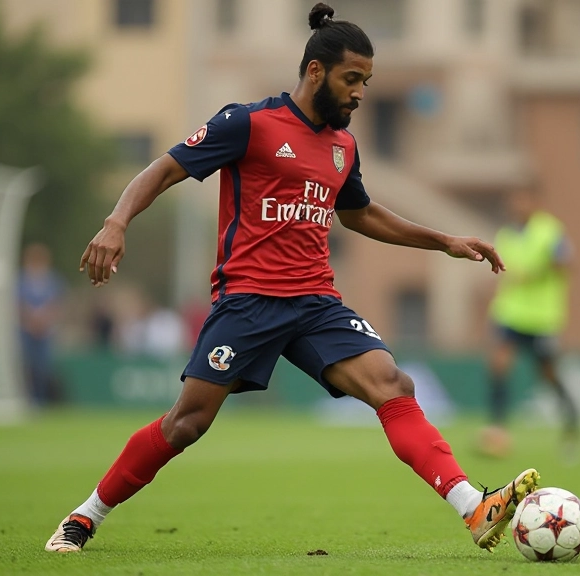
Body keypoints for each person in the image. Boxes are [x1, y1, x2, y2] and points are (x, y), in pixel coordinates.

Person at [45, 3, 539, 554]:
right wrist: (116, 222)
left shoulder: (343, 146)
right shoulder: (248, 124)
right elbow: (163, 168)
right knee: (186, 424)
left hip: (315, 303)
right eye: (352, 79)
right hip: (248, 302)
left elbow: (360, 213)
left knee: (394, 385)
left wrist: (442, 241)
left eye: (366, 83)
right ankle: (85, 516)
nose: (359, 93)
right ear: (314, 72)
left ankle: (473, 506)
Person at [480, 186, 580, 459]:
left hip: (541, 318)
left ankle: (572, 424)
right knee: (499, 365)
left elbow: (566, 263)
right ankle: (497, 432)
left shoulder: (550, 231)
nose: (518, 205)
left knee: (547, 375)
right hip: (510, 313)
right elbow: (504, 271)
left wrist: (537, 273)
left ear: (535, 202)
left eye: (523, 199)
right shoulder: (505, 235)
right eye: (514, 199)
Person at [18, 243, 65, 406]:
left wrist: (44, 318)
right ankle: (27, 401)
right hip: (25, 331)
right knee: (25, 366)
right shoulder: (21, 280)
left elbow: (58, 303)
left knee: (43, 368)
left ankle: (41, 402)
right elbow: (16, 304)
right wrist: (30, 319)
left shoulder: (52, 280)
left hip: (45, 333)